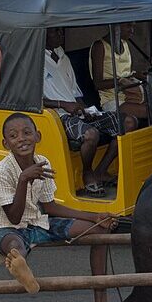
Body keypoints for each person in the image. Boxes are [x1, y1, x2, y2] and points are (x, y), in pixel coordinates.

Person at [0, 112, 118, 302]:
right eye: (14, 135)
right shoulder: (0, 171)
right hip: (5, 226)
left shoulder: (42, 162)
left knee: (100, 230)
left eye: (27, 133)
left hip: (38, 222)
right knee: (14, 242)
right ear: (5, 143)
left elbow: (50, 207)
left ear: (38, 136)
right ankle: (20, 264)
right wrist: (23, 179)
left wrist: (94, 217)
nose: (21, 138)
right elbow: (14, 217)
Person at [42, 27, 120, 195]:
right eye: (55, 32)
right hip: (58, 116)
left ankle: (101, 170)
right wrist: (63, 104)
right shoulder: (35, 61)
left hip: (76, 111)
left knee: (126, 122)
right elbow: (32, 100)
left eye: (61, 32)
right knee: (90, 135)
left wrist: (85, 109)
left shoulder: (63, 56)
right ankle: (87, 172)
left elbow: (75, 93)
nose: (60, 36)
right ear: (44, 35)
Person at [90, 22, 149, 125]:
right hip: (111, 100)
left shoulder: (125, 44)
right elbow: (97, 84)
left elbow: (124, 74)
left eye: (133, 27)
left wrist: (135, 76)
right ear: (115, 27)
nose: (132, 31)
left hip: (129, 95)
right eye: (128, 26)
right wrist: (120, 81)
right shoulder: (100, 46)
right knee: (151, 112)